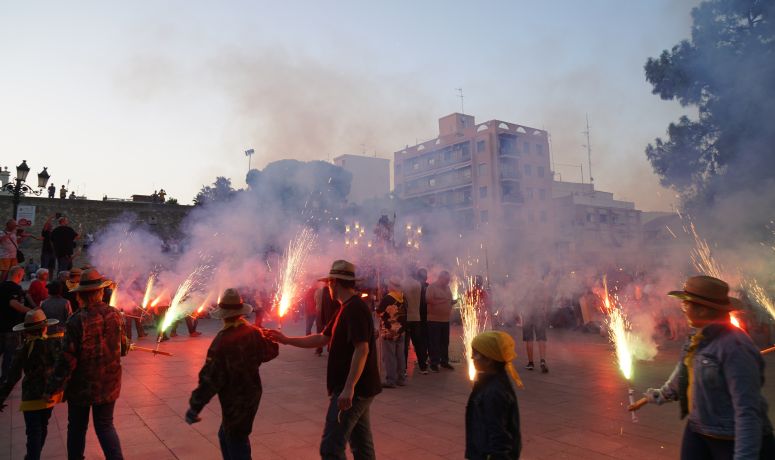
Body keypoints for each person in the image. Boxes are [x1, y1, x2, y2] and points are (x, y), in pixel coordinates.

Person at [637, 276, 774, 459]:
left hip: (729, 436)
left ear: (702, 310)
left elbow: (748, 411)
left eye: (686, 305)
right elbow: (685, 369)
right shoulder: (698, 336)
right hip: (699, 427)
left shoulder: (735, 347)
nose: (683, 309)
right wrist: (662, 394)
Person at [268, 260, 381, 460]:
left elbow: (362, 349)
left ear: (335, 283)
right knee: (362, 446)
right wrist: (286, 340)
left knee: (331, 448)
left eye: (329, 283)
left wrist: (349, 388)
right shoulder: (344, 308)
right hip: (359, 389)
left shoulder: (355, 309)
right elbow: (322, 338)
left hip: (354, 391)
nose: (327, 286)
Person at [44, 268, 128, 460]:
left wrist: (53, 387)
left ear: (80, 294)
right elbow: (123, 349)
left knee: (76, 427)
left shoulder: (76, 320)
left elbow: (67, 360)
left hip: (82, 386)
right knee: (105, 426)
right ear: (100, 292)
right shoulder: (115, 315)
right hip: (109, 382)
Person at [185, 288, 279, 459]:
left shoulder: (222, 341)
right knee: (228, 434)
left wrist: (195, 406)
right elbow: (270, 352)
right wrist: (269, 338)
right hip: (252, 394)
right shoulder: (253, 333)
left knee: (236, 438)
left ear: (224, 315)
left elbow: (210, 378)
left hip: (234, 400)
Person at [0, 309, 64, 460]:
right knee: (43, 427)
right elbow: (61, 368)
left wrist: (1, 397)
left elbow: (13, 376)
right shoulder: (52, 345)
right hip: (48, 396)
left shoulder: (22, 349)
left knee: (33, 432)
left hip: (30, 397)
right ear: (44, 327)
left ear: (26, 331)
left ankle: (32, 457)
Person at [466, 331, 523, 460]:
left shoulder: (494, 392)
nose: (472, 357)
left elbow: (499, 436)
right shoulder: (495, 381)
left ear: (489, 360)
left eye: (476, 354)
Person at [0, 266, 32, 382]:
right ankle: (6, 380)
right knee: (10, 355)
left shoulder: (1, 286)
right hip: (11, 327)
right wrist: (32, 311)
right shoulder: (13, 288)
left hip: (1, 325)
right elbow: (14, 304)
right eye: (22, 276)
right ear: (18, 275)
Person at [376, 276, 407, 388]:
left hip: (389, 330)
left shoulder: (388, 298)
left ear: (392, 286)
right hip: (401, 329)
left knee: (390, 356)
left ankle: (391, 380)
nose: (388, 287)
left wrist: (378, 309)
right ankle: (401, 379)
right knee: (400, 355)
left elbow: (379, 312)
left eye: (389, 285)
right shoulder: (403, 298)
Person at [522, 270, 552, 373]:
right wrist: (544, 309)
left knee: (529, 338)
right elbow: (545, 297)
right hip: (539, 311)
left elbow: (519, 299)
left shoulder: (524, 285)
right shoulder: (540, 284)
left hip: (527, 313)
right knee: (541, 337)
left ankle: (531, 363)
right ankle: (542, 360)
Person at [426, 270, 454, 372]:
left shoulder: (447, 288)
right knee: (434, 342)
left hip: (445, 320)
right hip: (434, 320)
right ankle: (434, 362)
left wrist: (450, 303)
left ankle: (444, 361)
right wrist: (444, 301)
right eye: (446, 280)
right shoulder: (432, 287)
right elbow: (428, 300)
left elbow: (449, 300)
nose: (448, 282)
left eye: (449, 280)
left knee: (444, 342)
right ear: (440, 278)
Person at [403, 267, 429, 374]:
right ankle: (423, 367)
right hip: (416, 317)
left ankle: (403, 369)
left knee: (404, 344)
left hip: (406, 317)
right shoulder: (418, 285)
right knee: (418, 343)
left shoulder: (402, 284)